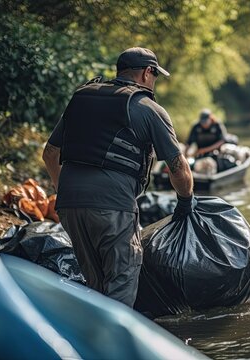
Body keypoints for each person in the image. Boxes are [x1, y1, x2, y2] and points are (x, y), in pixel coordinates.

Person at [42, 47, 194, 308]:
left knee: (96, 285)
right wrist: (185, 202)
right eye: (155, 74)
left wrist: (64, 193)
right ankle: (113, 344)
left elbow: (50, 153)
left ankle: (90, 342)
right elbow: (178, 167)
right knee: (121, 281)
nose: (154, 80)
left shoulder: (82, 99)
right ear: (147, 72)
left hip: (69, 206)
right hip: (113, 206)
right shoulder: (148, 108)